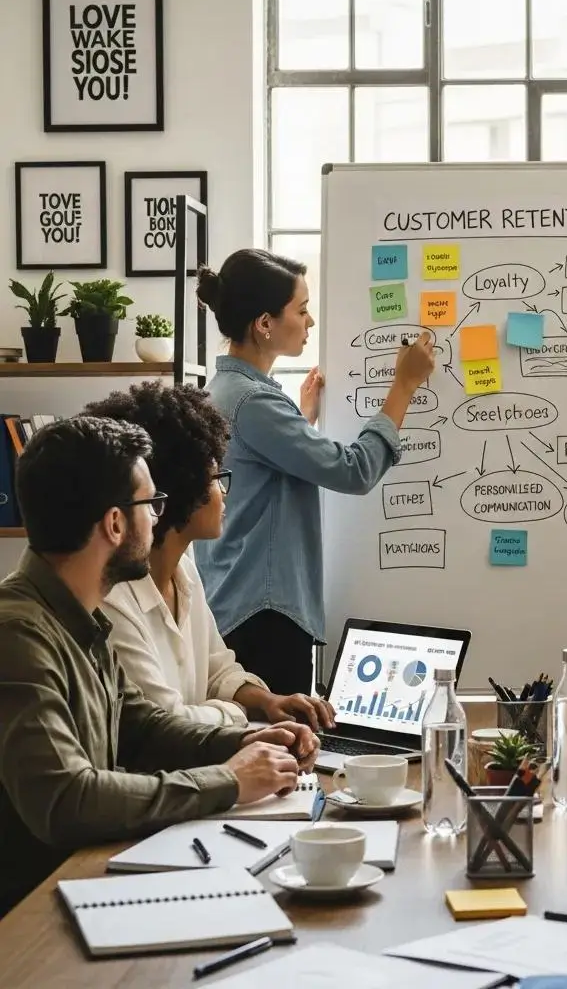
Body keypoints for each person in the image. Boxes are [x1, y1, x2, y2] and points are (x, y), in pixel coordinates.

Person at [0, 416, 319, 916]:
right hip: (32, 916)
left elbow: (140, 727)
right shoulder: (17, 633)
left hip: (87, 880)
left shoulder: (76, 614)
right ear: (114, 523)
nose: (158, 518)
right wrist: (230, 781)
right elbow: (66, 798)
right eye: (151, 504)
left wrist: (243, 743)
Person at [192, 249, 436, 695]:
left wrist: (301, 421)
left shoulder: (225, 391)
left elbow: (259, 479)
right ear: (264, 323)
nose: (311, 322)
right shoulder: (254, 402)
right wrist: (403, 385)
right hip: (263, 621)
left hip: (238, 608)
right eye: (301, 310)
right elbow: (354, 470)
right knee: (279, 752)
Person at [84, 382, 335, 729]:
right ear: (183, 488)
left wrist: (267, 701)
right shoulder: (112, 600)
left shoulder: (183, 570)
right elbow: (166, 724)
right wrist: (238, 713)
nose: (223, 492)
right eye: (217, 477)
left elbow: (217, 667)